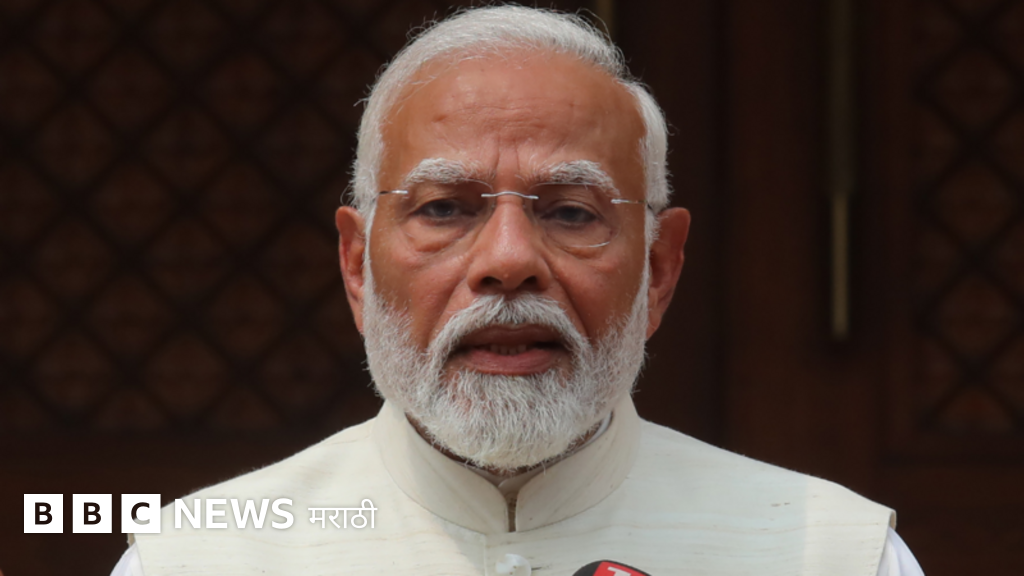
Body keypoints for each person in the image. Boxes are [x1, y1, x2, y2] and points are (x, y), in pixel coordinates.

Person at [111, 6, 924, 575]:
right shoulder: (197, 559)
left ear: (659, 269)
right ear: (358, 266)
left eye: (570, 212)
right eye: (444, 209)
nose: (508, 262)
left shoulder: (831, 555)